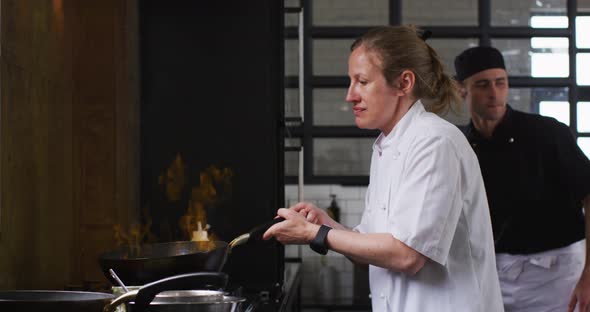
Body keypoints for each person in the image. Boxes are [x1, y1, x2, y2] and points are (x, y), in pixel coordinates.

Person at [263, 25, 503, 311]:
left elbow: (407, 255)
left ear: (404, 83)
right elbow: (370, 249)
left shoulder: (435, 143)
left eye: (362, 81)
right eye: (350, 81)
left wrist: (313, 234)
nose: (349, 95)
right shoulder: (385, 148)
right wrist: (326, 225)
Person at [454, 46, 590, 312]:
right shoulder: (459, 144)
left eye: (500, 83)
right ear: (462, 90)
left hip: (559, 275)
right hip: (492, 275)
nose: (494, 94)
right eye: (482, 85)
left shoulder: (548, 133)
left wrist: (589, 275)